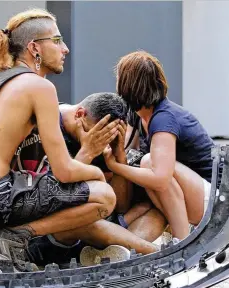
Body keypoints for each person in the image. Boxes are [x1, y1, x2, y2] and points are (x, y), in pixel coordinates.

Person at [0, 9, 155, 273]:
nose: (65, 49)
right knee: (103, 196)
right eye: (57, 40)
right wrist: (100, 172)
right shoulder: (39, 87)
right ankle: (11, 241)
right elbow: (65, 171)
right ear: (34, 48)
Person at [13, 92, 166, 267]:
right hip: (43, 233)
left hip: (92, 225)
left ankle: (113, 254)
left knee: (155, 210)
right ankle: (158, 254)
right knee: (87, 223)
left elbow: (120, 206)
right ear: (79, 115)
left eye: (107, 140)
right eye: (98, 137)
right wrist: (87, 152)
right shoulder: (44, 129)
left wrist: (119, 157)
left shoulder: (98, 136)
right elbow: (46, 200)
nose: (102, 145)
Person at [103, 50, 216, 242]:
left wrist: (115, 166)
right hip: (187, 196)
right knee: (144, 199)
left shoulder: (164, 118)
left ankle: (183, 241)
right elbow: (127, 155)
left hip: (213, 199)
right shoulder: (137, 115)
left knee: (149, 163)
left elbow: (161, 178)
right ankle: (119, 245)